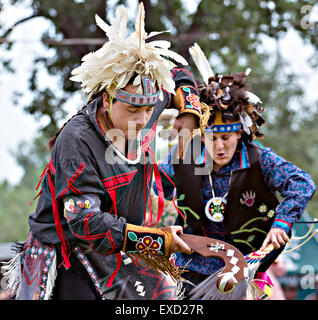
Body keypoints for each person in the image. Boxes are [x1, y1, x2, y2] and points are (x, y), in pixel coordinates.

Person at [1, 4, 204, 300]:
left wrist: (190, 111)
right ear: (107, 101)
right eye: (133, 109)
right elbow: (86, 223)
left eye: (149, 109)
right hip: (67, 249)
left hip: (119, 244)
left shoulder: (145, 98)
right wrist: (159, 241)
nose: (143, 118)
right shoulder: (77, 139)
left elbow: (179, 73)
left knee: (165, 296)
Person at [154, 43, 316, 299]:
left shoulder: (260, 159)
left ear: (239, 133)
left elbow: (302, 183)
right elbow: (149, 189)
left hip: (248, 271)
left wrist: (282, 223)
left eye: (226, 138)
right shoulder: (182, 159)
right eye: (212, 138)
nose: (219, 146)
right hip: (188, 271)